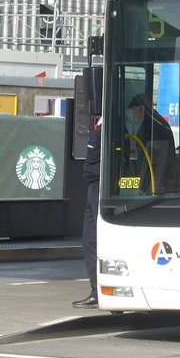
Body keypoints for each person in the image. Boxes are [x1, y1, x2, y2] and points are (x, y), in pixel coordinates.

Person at [73, 118, 101, 308]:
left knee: (93, 239)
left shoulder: (106, 129)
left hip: (99, 185)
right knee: (89, 239)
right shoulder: (103, 128)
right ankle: (97, 289)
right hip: (95, 186)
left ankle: (98, 291)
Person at [127, 93, 176, 194]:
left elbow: (152, 161)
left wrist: (142, 187)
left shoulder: (153, 127)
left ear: (141, 109)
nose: (134, 116)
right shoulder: (157, 123)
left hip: (153, 184)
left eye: (134, 111)